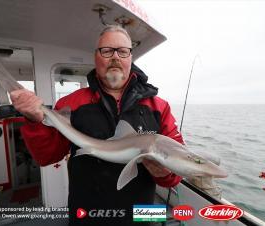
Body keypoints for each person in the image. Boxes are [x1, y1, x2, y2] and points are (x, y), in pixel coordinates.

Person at [10, 25, 184, 226]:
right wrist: (33, 121)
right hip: (88, 213)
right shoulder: (70, 104)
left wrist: (166, 173)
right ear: (96, 57)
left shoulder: (159, 106)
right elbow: (47, 156)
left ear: (130, 57)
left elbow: (173, 177)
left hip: (144, 212)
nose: (115, 57)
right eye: (107, 50)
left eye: (122, 51)